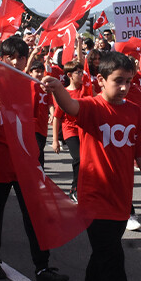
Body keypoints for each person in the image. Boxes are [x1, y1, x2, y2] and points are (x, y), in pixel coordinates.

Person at [43, 51, 141, 281]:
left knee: (104, 252)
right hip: (94, 198)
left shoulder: (134, 111)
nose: (124, 87)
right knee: (113, 258)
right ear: (100, 80)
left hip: (121, 198)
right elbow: (69, 105)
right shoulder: (91, 107)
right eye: (118, 81)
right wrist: (56, 87)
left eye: (129, 81)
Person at [0, 38, 69, 281]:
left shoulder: (31, 86)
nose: (15, 62)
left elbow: (35, 124)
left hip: (24, 160)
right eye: (10, 57)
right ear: (1, 59)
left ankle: (42, 267)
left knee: (35, 214)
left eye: (20, 57)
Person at [51, 61, 93, 201]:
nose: (82, 75)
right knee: (79, 158)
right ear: (69, 75)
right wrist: (55, 140)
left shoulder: (86, 89)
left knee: (87, 161)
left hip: (85, 130)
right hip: (70, 131)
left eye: (82, 72)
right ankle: (75, 189)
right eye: (78, 72)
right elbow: (57, 117)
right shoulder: (64, 93)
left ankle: (81, 188)